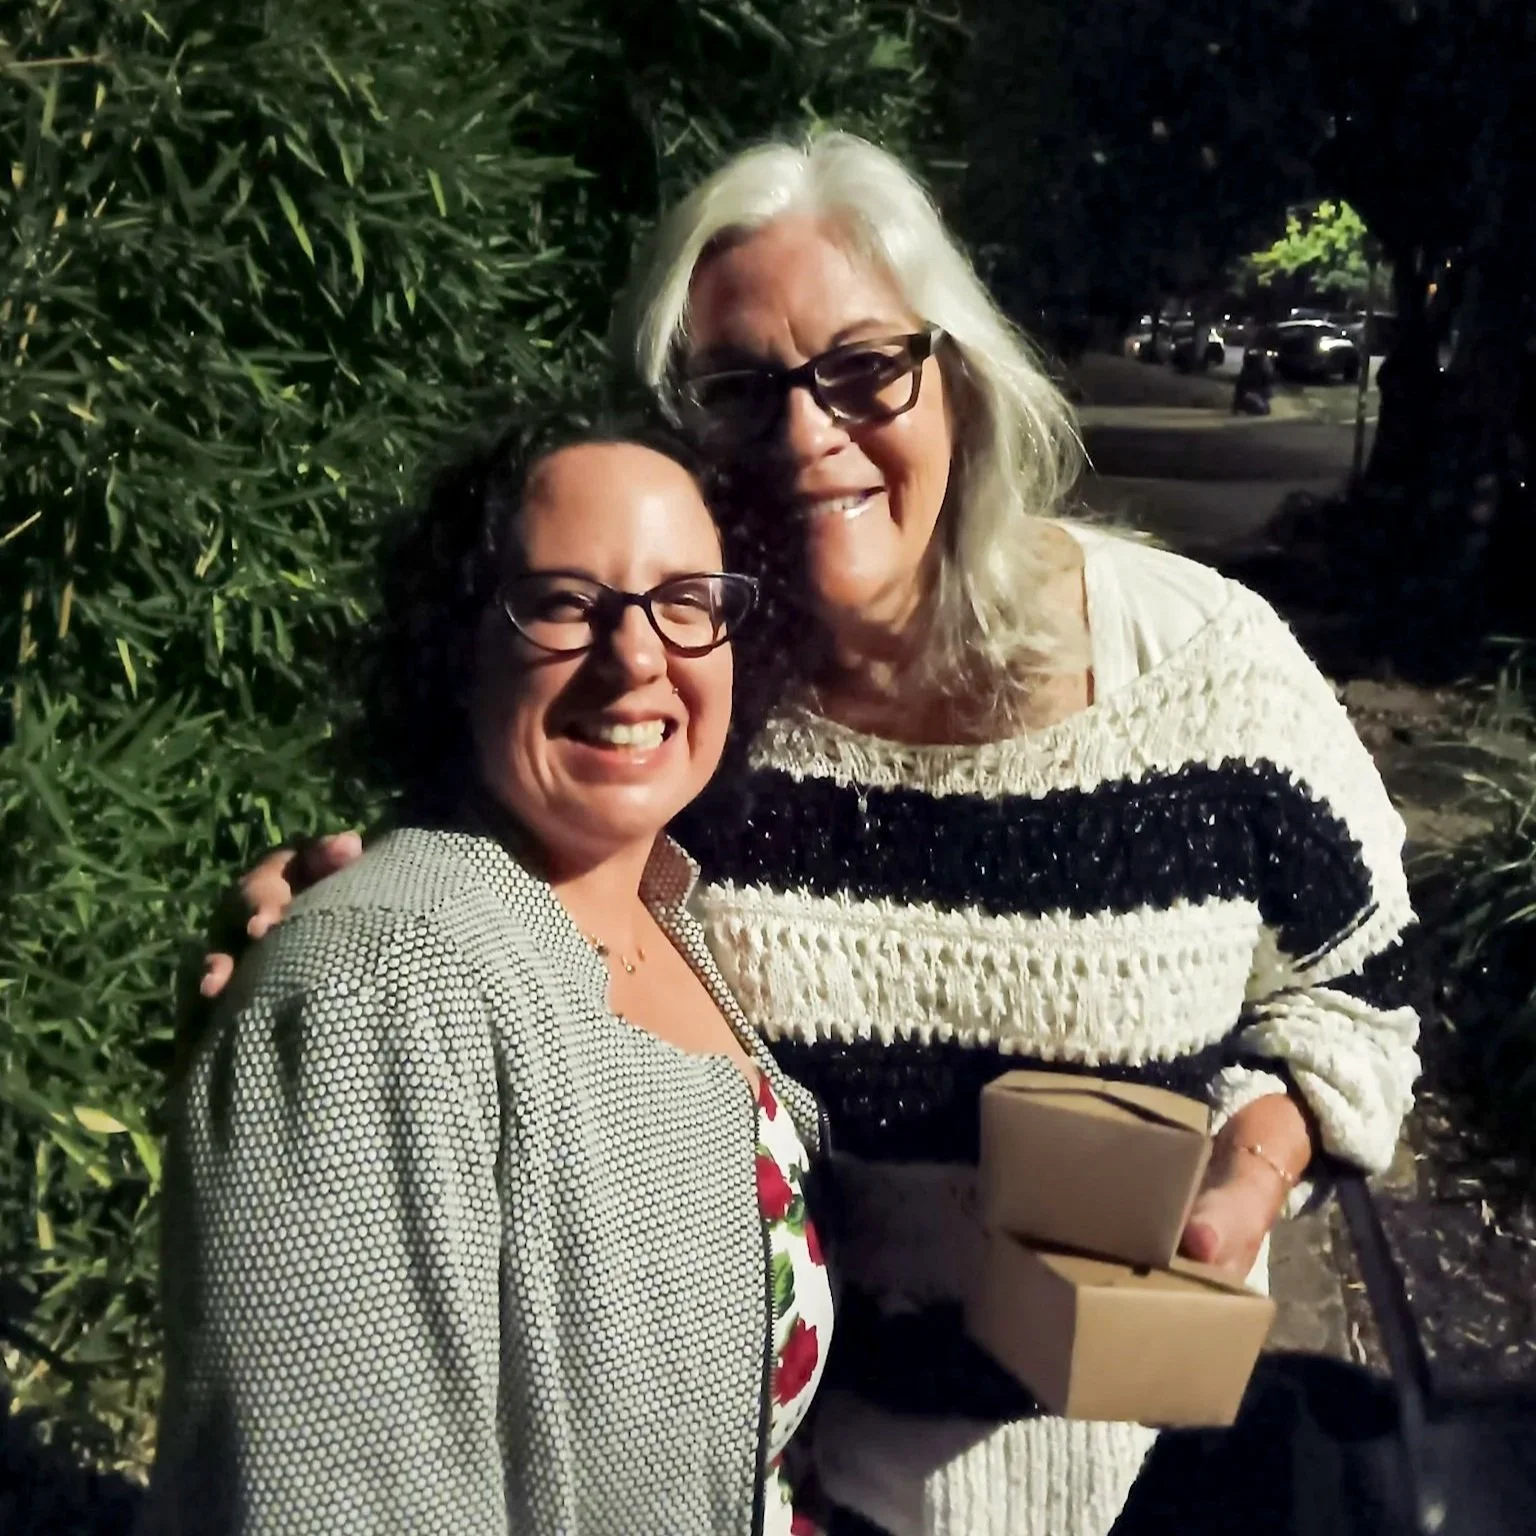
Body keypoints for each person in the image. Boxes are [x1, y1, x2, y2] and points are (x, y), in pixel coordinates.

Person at [210, 133, 1420, 1536]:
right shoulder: (691, 704)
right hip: (787, 1488)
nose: (804, 436)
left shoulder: (1199, 667)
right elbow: (516, 887)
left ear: (955, 373)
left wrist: (1263, 1153)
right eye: (739, 392)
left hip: (1142, 1484)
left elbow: (1364, 984)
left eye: (862, 369)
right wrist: (353, 919)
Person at [145, 422, 833, 1536]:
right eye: (565, 602)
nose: (638, 656)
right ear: (459, 641)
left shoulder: (668, 916)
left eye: (686, 600)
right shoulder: (379, 988)